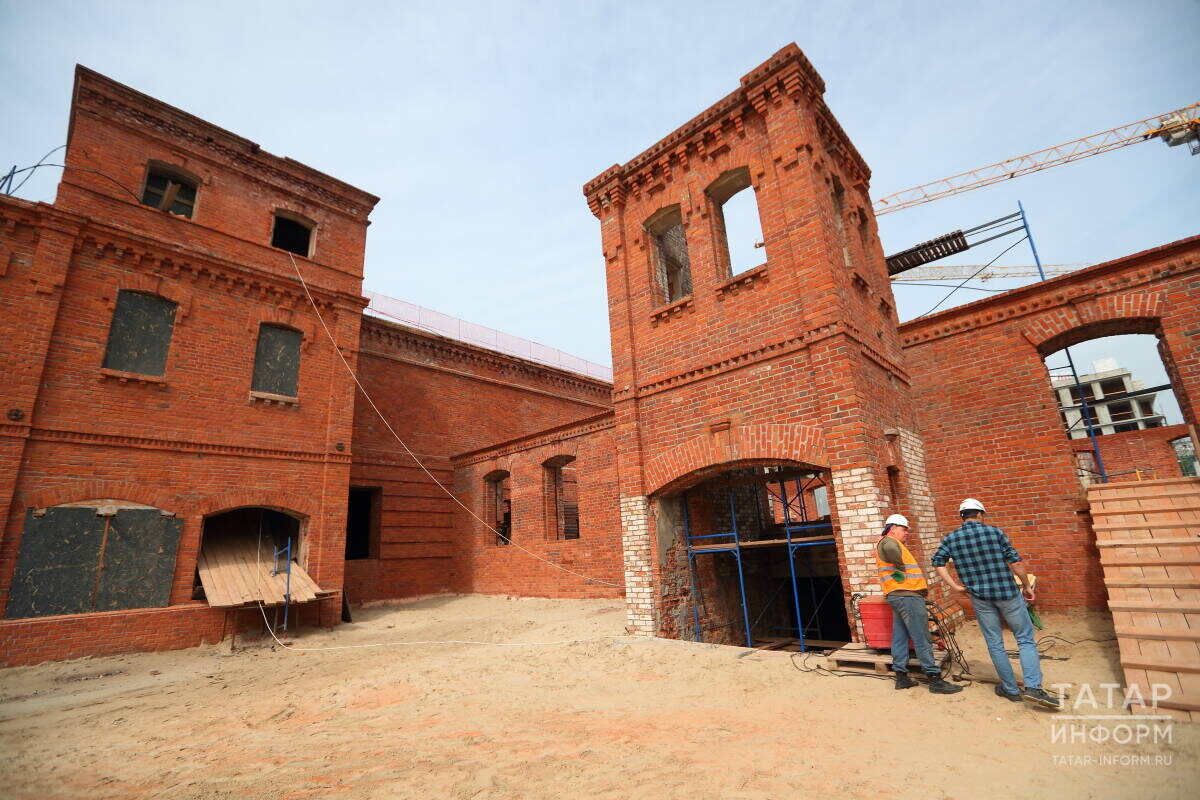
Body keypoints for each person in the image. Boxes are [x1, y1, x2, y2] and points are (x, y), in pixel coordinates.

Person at [932, 498, 1061, 710]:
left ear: (962, 517)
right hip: (1007, 594)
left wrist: (954, 586)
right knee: (1025, 639)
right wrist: (1027, 586)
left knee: (994, 642)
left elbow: (938, 563)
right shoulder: (995, 533)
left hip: (980, 597)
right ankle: (1033, 688)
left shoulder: (951, 538)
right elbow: (1016, 562)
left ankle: (1010, 689)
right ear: (980, 515)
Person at [876, 513, 963, 694]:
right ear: (893, 528)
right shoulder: (889, 541)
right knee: (921, 637)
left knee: (900, 637)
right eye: (904, 529)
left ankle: (901, 677)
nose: (906, 533)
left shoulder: (888, 542)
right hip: (908, 596)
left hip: (897, 596)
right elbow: (891, 550)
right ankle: (934, 680)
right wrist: (899, 567)